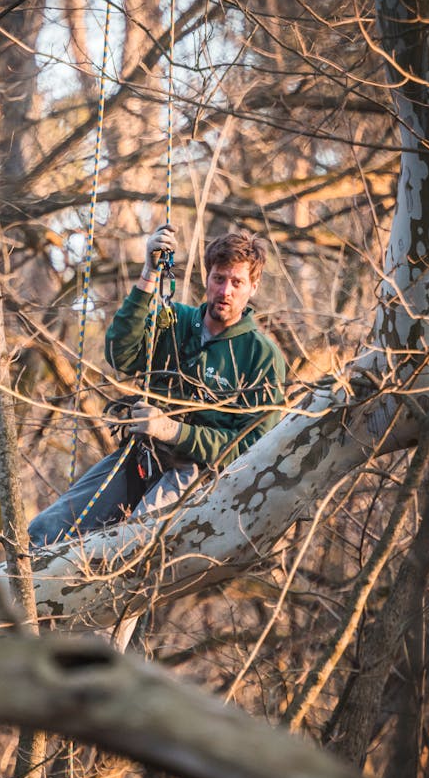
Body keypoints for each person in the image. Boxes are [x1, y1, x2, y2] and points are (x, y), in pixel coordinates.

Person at [28, 224, 285, 549]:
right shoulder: (175, 321)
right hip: (142, 455)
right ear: (207, 278)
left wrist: (174, 431)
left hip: (198, 473)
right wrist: (149, 273)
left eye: (237, 282)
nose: (226, 291)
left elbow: (253, 449)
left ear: (253, 286)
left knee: (131, 546)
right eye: (219, 279)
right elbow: (121, 353)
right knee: (45, 531)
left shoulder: (260, 355)